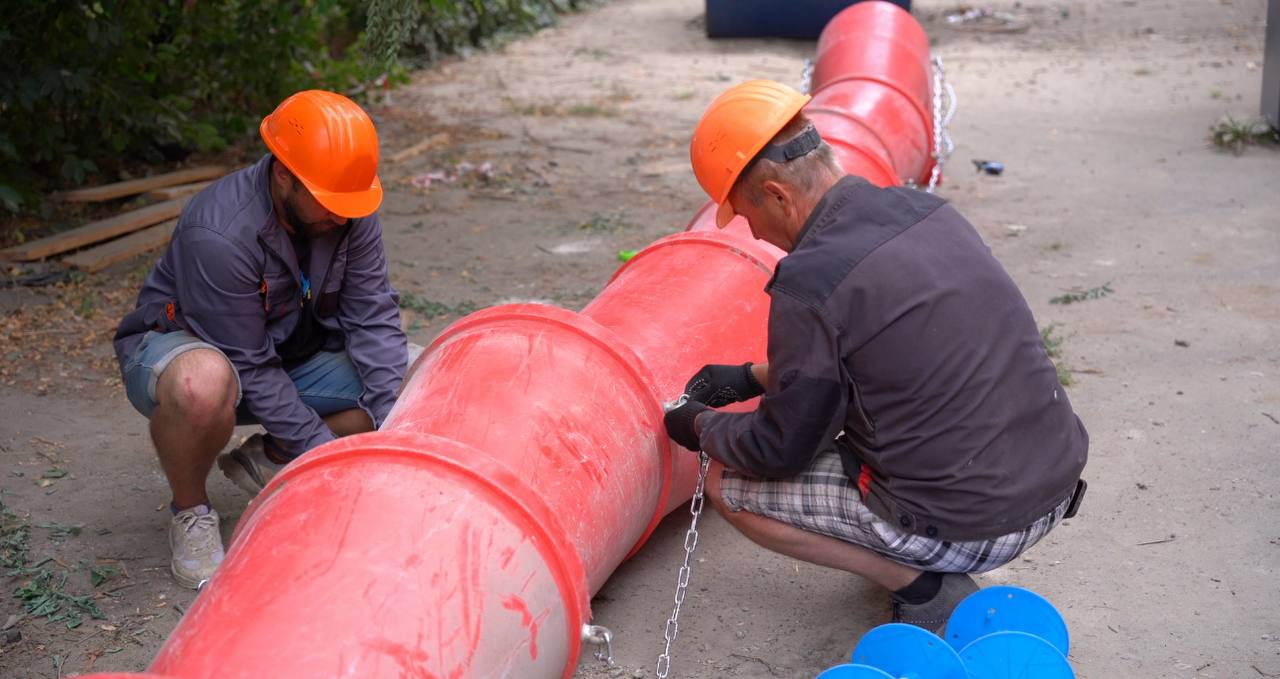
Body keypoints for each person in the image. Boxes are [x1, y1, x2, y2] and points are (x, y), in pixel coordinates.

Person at [663, 80, 1088, 631]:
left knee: (730, 484)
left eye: (746, 216)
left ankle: (921, 584)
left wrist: (698, 426)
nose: (756, 233)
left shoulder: (809, 280)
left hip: (977, 524)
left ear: (777, 195)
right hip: (1052, 483)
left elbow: (780, 448)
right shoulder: (924, 211)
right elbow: (897, 356)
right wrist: (750, 377)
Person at [114, 90, 412, 589]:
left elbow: (373, 317)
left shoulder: (347, 205)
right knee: (201, 385)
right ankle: (191, 511)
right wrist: (327, 463)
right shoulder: (219, 232)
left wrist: (395, 433)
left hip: (289, 352)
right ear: (284, 176)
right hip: (197, 354)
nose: (342, 218)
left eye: (348, 205)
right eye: (329, 204)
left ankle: (271, 456)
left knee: (417, 379)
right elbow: (249, 365)